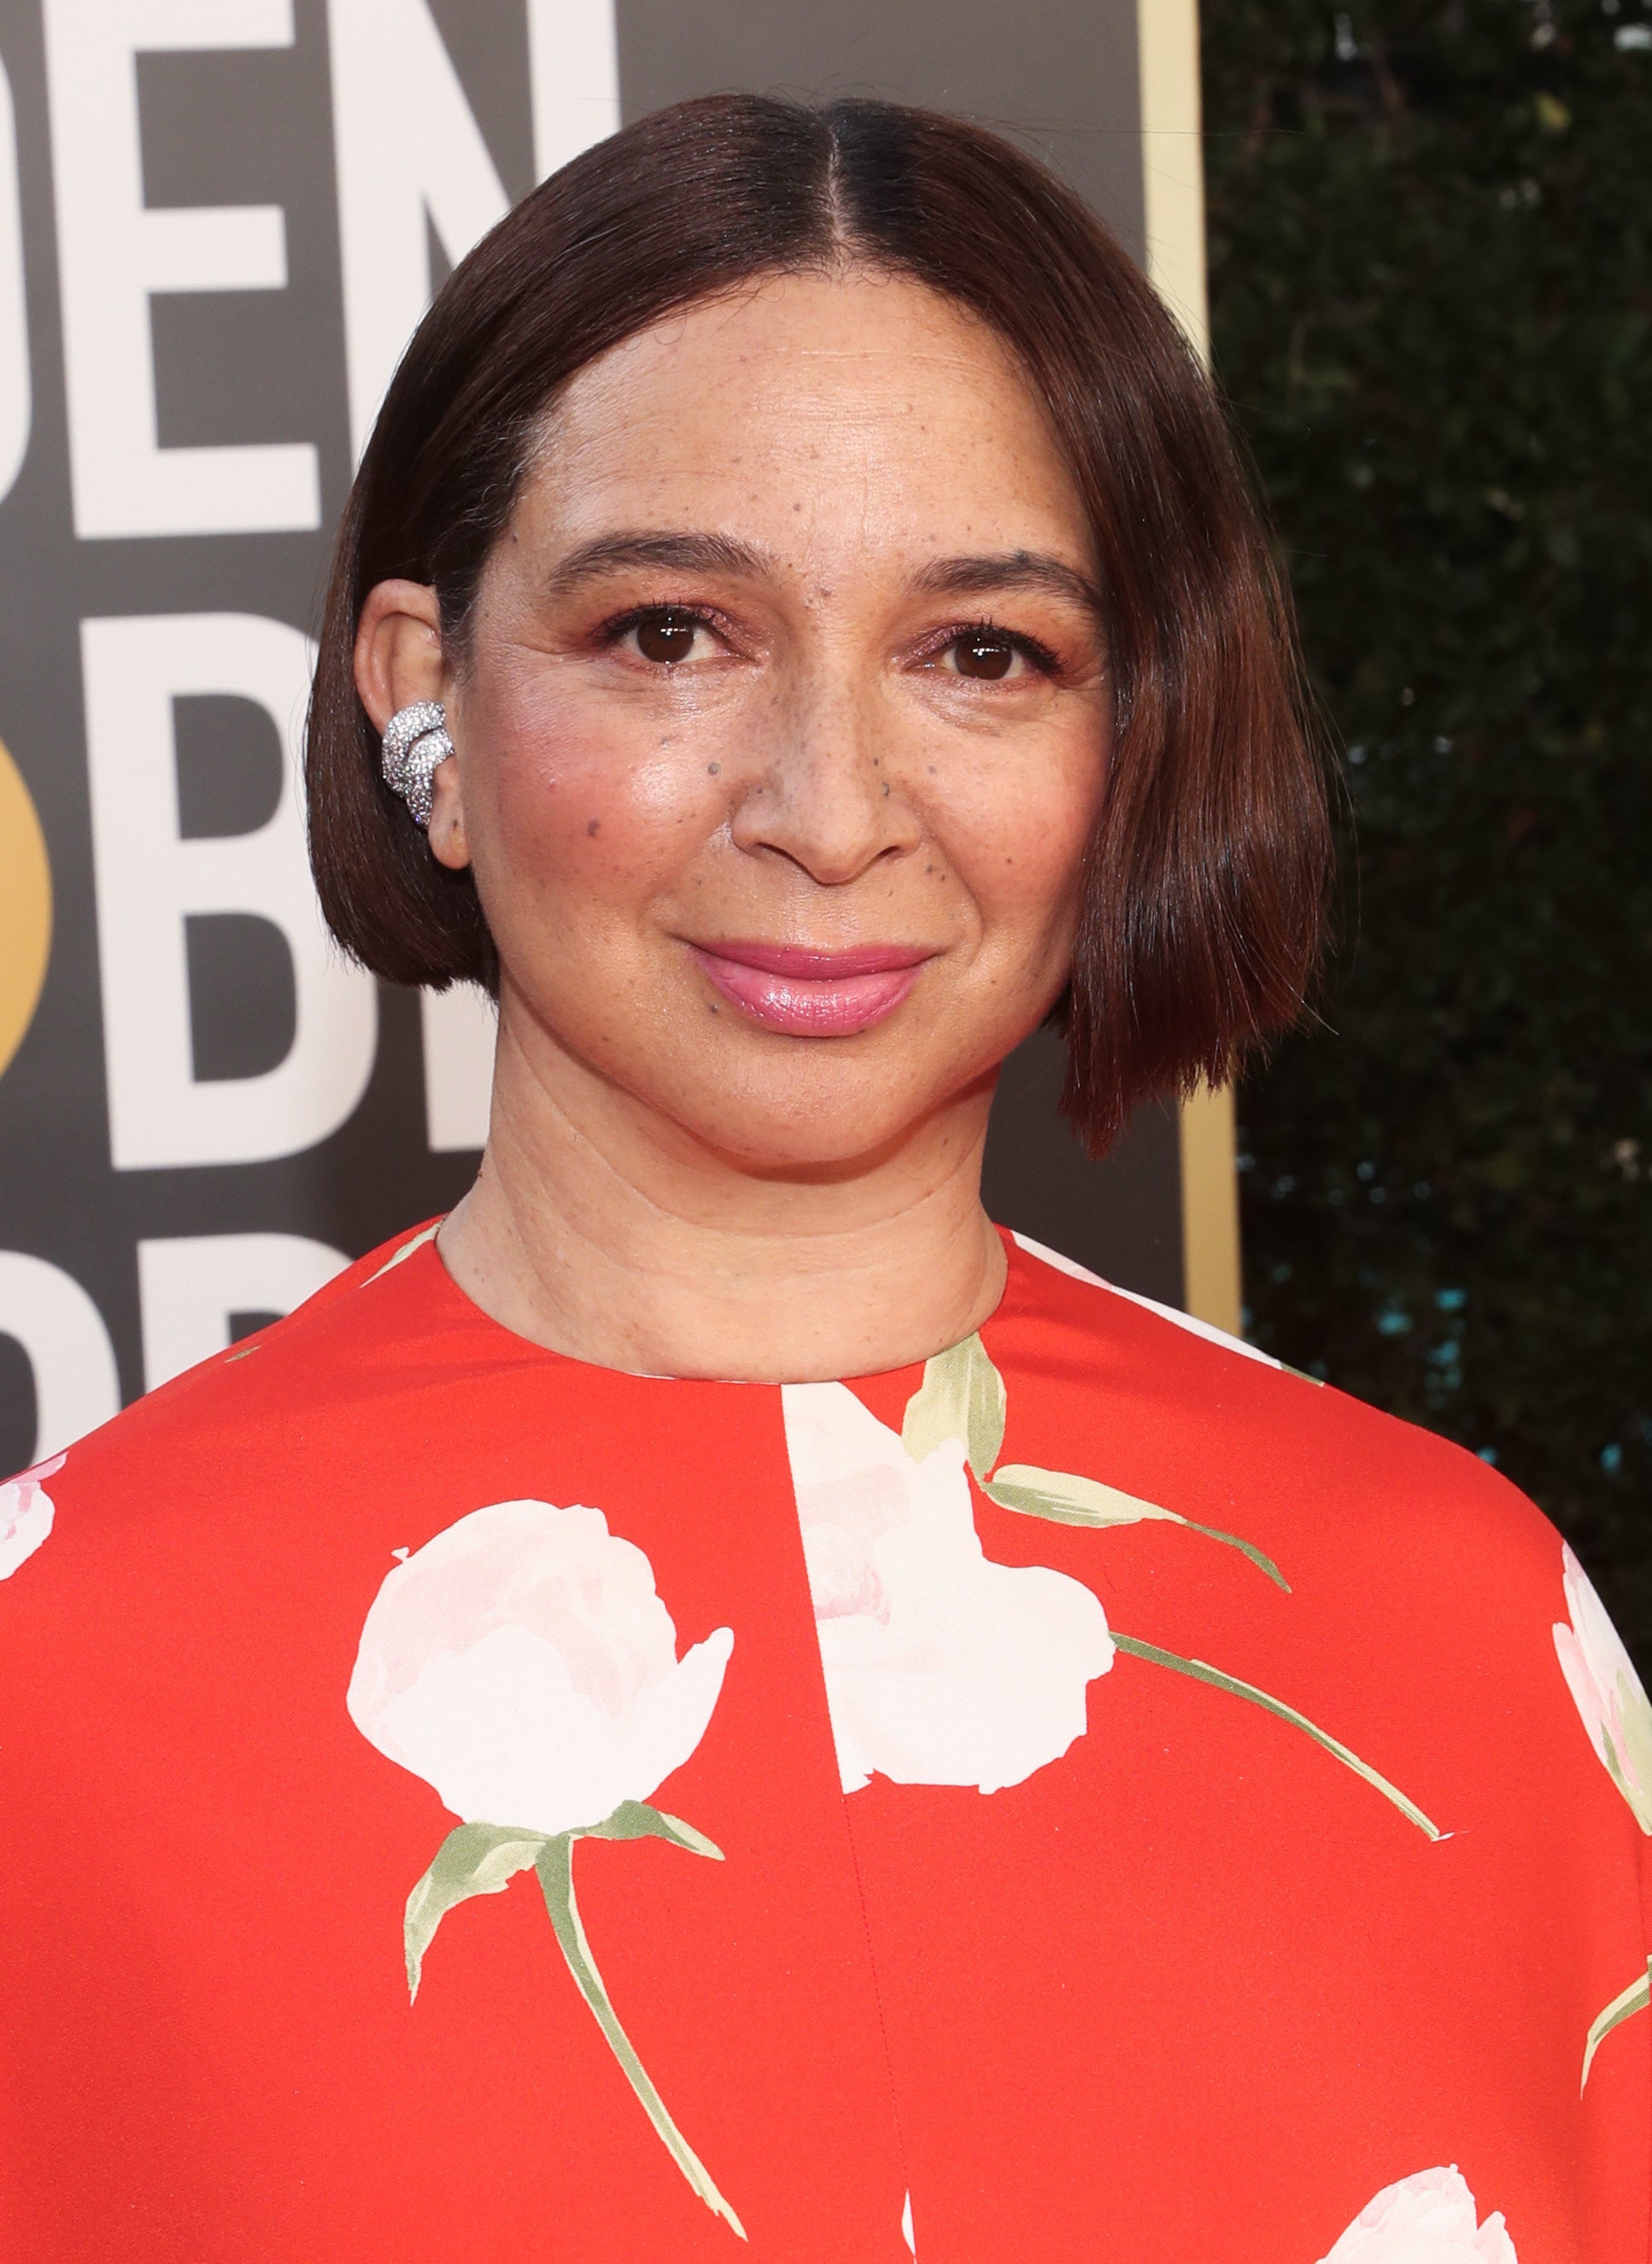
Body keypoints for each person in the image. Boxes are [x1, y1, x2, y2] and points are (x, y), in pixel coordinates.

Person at [0, 94, 1645, 2264]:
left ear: (1128, 737)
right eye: (672, 629)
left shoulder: (1460, 1628)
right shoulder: (55, 1677)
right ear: (426, 706)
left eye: (983, 653)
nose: (830, 807)